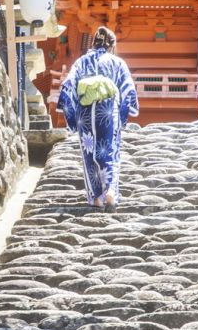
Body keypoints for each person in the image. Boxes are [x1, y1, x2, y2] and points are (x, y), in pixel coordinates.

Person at [57, 27, 139, 209]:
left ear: (93, 43)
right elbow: (128, 89)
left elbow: (68, 85)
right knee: (109, 150)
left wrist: (71, 115)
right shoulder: (117, 63)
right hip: (108, 111)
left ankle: (95, 198)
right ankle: (110, 190)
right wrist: (123, 115)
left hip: (85, 113)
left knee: (89, 153)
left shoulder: (81, 62)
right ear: (111, 45)